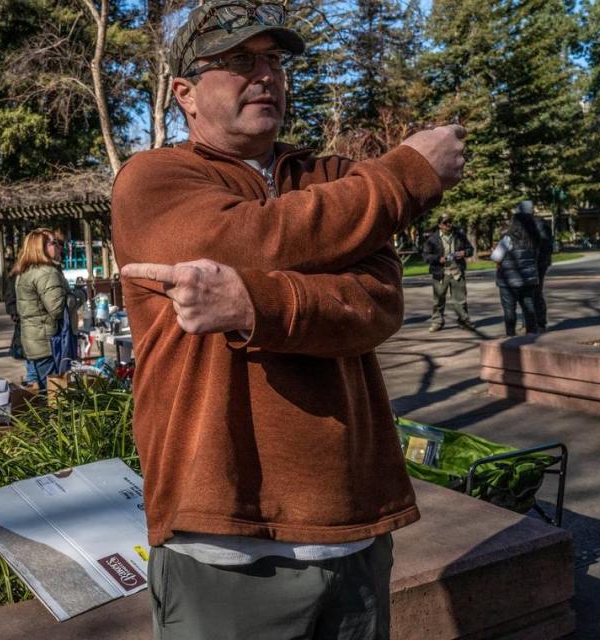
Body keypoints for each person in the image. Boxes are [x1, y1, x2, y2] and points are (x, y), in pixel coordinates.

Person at [110, 1, 466, 637]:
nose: (266, 75)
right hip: (225, 536)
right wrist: (405, 176)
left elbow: (377, 301)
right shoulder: (154, 179)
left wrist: (255, 306)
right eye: (240, 61)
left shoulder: (328, 176)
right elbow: (252, 241)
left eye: (274, 60)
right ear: (184, 93)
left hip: (353, 526)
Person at [13, 229, 84, 390]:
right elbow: (58, 308)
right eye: (53, 243)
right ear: (41, 247)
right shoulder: (46, 273)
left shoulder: (26, 271)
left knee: (38, 394)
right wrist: (80, 294)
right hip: (50, 346)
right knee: (56, 396)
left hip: (34, 344)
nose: (59, 246)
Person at [421, 214, 476, 332]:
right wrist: (438, 259)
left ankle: (464, 321)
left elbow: (470, 250)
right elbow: (425, 256)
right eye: (446, 223)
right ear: (440, 225)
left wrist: (464, 253)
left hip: (457, 272)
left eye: (450, 222)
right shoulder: (432, 239)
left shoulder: (459, 236)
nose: (449, 225)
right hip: (440, 273)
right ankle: (437, 322)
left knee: (461, 300)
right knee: (438, 300)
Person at [491, 210, 541, 337]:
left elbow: (496, 257)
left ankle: (511, 335)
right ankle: (532, 333)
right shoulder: (534, 239)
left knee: (509, 309)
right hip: (528, 280)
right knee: (529, 307)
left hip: (509, 281)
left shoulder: (508, 238)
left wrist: (494, 251)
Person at [523, 201, 554, 331]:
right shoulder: (525, 225)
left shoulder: (539, 224)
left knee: (535, 292)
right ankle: (531, 322)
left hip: (538, 263)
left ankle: (540, 322)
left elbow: (543, 245)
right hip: (529, 263)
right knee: (528, 293)